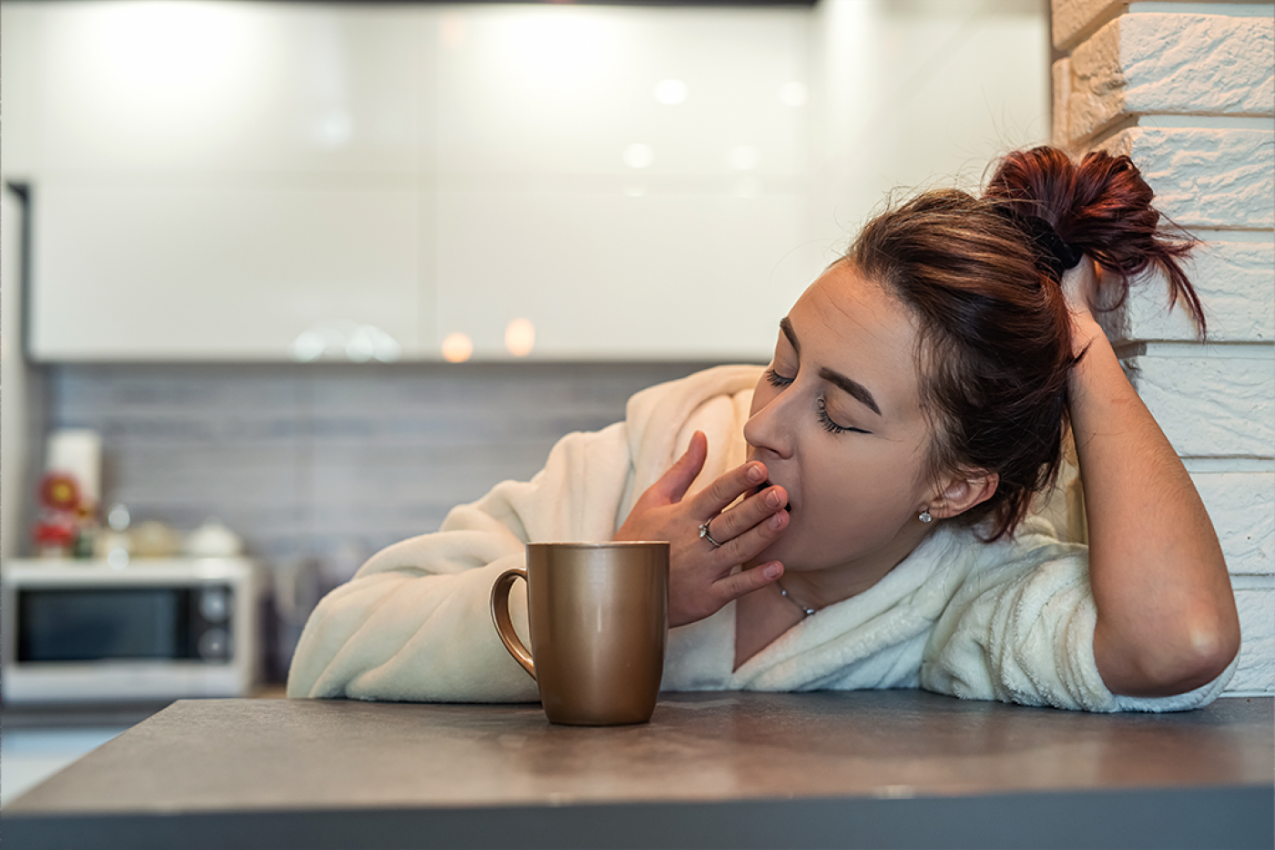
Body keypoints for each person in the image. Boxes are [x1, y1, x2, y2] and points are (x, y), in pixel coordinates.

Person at [287, 146, 1241, 712]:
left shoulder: (959, 598)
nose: (765, 423)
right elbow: (333, 646)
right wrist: (617, 593)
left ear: (953, 487)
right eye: (781, 366)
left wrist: (1078, 346)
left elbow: (1180, 642)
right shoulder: (658, 449)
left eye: (836, 413)